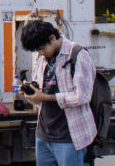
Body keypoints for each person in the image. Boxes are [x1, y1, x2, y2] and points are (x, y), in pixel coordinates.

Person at [20, 19, 96, 166]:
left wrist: (47, 97)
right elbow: (40, 93)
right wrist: (31, 92)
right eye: (37, 50)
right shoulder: (41, 58)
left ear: (53, 38)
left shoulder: (78, 55)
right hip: (43, 135)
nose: (40, 53)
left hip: (69, 137)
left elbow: (82, 96)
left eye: (41, 48)